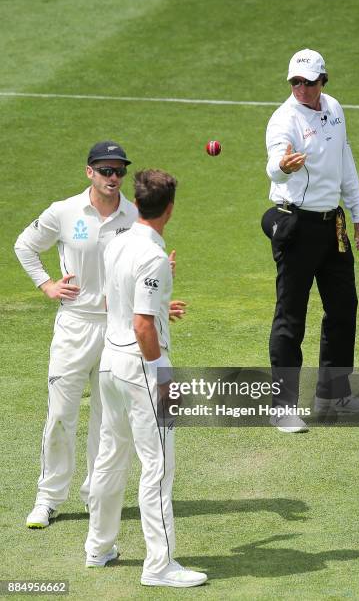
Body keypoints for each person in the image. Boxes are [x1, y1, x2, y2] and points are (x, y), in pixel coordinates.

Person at [14, 142, 181, 528]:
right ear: (89, 172)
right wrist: (46, 285)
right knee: (60, 414)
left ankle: (95, 496)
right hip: (74, 325)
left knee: (106, 420)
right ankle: (49, 497)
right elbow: (25, 246)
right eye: (105, 170)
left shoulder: (135, 214)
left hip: (117, 329)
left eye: (119, 171)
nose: (113, 177)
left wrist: (157, 305)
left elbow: (143, 274)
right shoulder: (64, 212)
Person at [84, 169, 207, 589]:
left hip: (110, 364)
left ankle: (98, 548)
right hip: (142, 367)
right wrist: (160, 374)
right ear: (169, 209)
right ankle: (159, 565)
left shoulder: (117, 242)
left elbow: (113, 298)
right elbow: (141, 326)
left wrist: (157, 302)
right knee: (157, 468)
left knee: (109, 457)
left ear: (139, 203)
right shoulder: (152, 256)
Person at [262, 49, 359, 433]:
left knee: (344, 307)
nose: (301, 89)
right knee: (291, 316)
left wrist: (358, 212)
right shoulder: (284, 119)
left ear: (323, 80)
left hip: (333, 226)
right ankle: (282, 407)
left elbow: (345, 159)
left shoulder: (335, 108)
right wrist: (282, 166)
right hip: (295, 223)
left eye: (309, 82)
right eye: (295, 81)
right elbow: (274, 164)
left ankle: (333, 395)